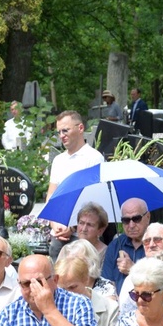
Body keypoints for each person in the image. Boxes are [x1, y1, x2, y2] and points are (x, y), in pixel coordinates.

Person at [45, 111, 104, 259]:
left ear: (81, 128)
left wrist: (72, 227)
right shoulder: (59, 160)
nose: (61, 135)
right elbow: (52, 194)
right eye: (59, 132)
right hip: (59, 233)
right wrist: (54, 224)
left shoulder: (94, 158)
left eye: (65, 130)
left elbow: (95, 201)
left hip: (83, 233)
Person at [102, 198, 150, 293]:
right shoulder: (115, 245)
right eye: (126, 220)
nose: (131, 225)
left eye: (136, 219)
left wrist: (133, 269)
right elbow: (106, 282)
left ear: (148, 217)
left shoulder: (159, 243)